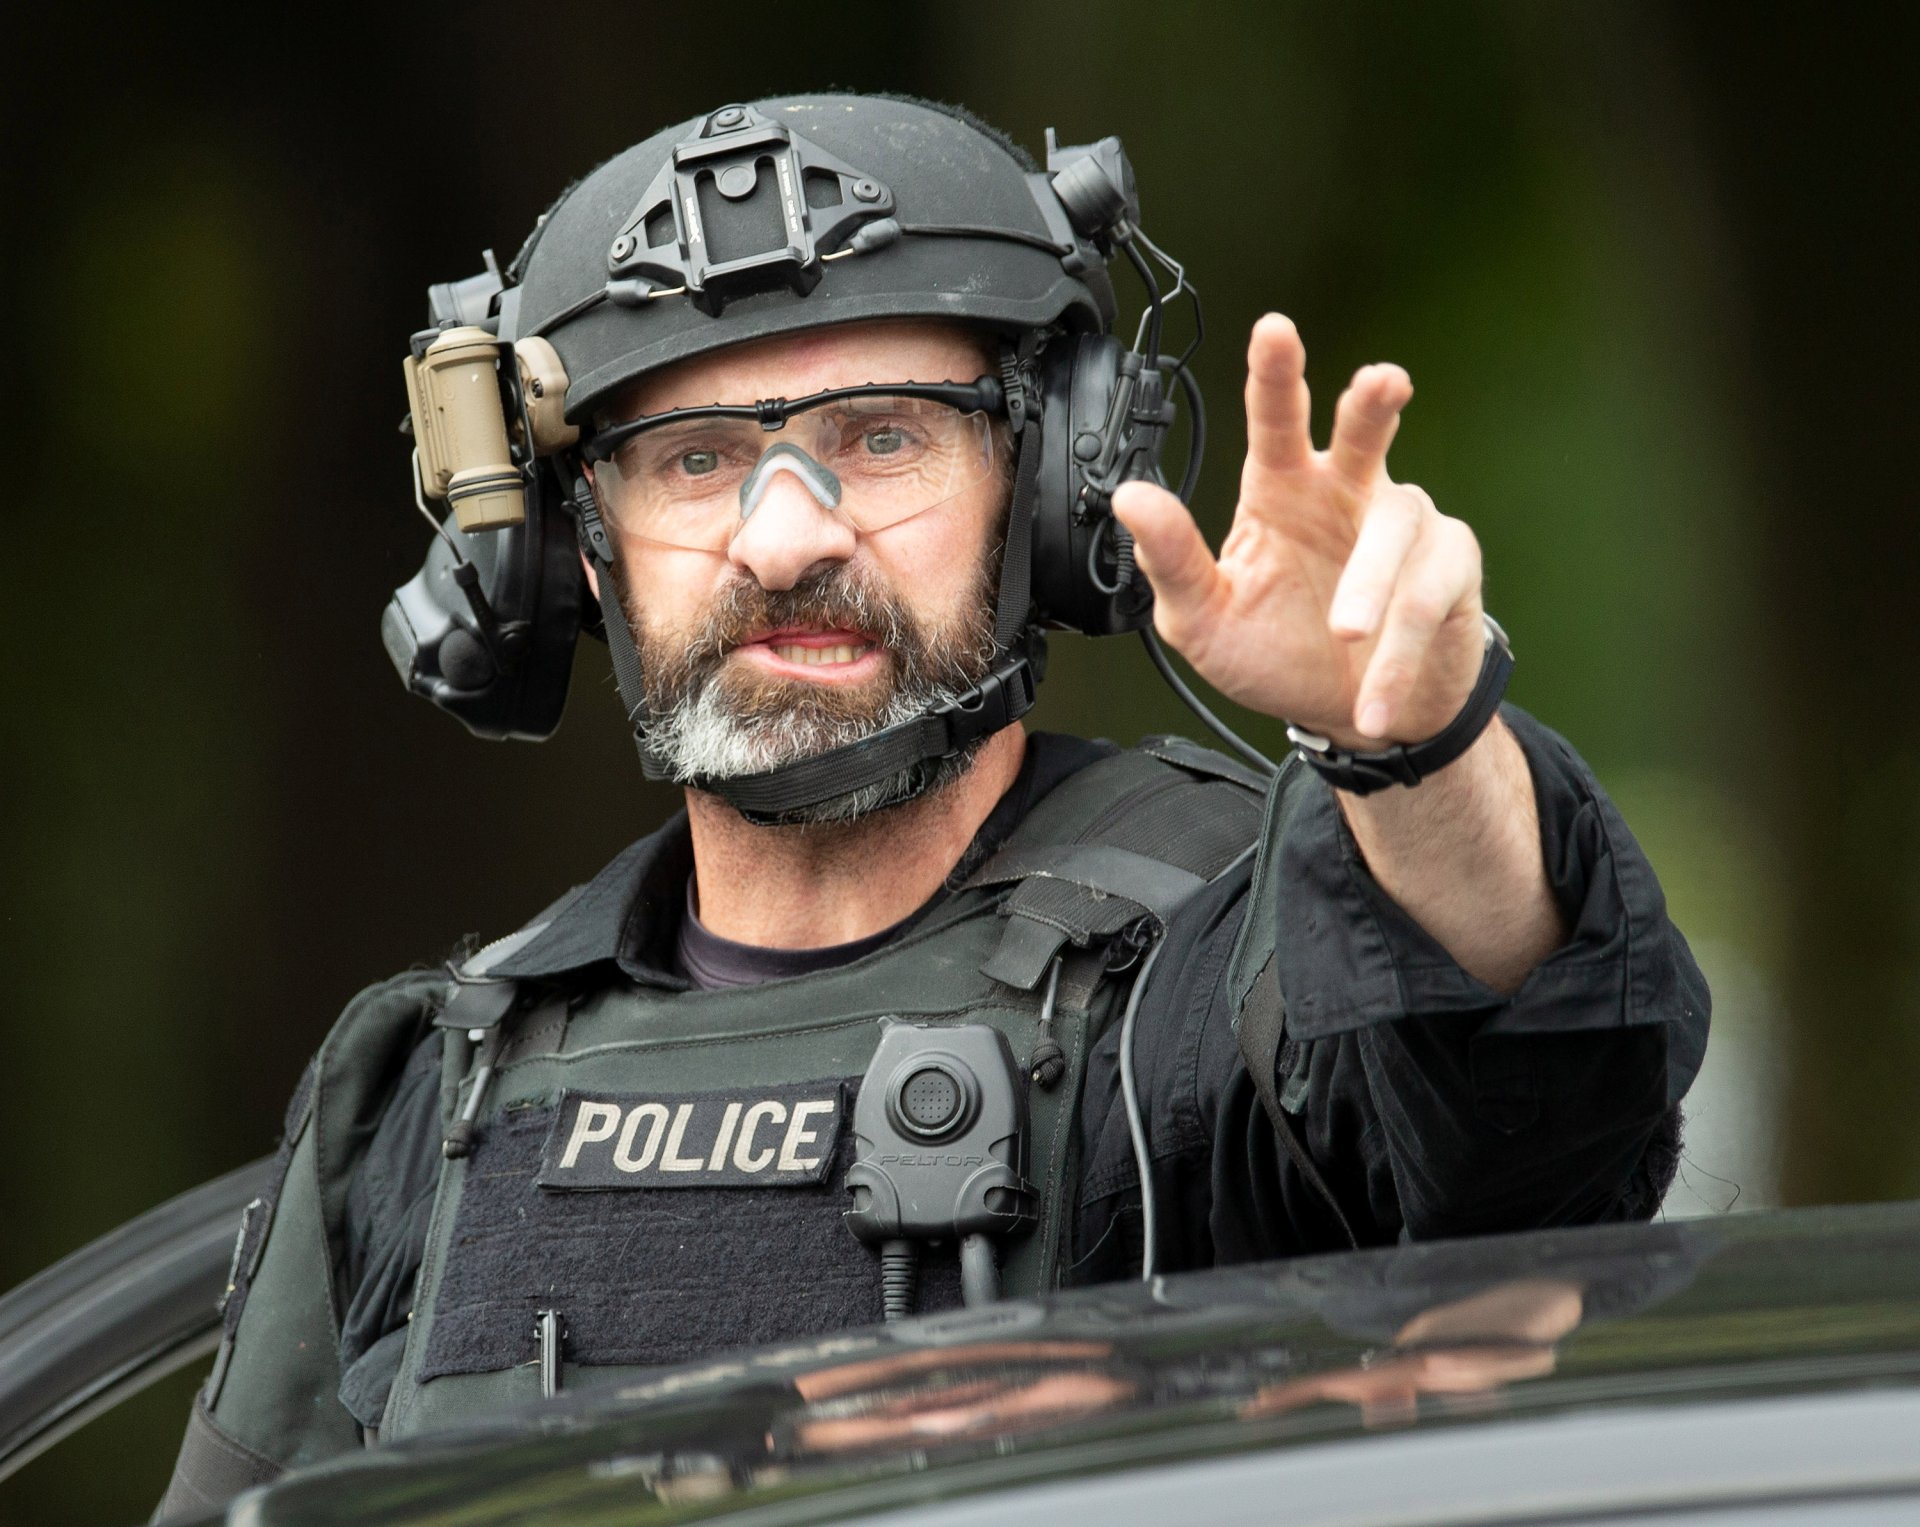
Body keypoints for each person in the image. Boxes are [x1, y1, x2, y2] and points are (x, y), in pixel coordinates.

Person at [156, 92, 1707, 1517]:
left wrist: (1416, 755)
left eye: (882, 435)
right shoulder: (431, 1085)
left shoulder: (1209, 978)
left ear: (1049, 485)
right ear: (575, 549)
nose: (783, 540)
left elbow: (1531, 1140)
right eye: (692, 460)